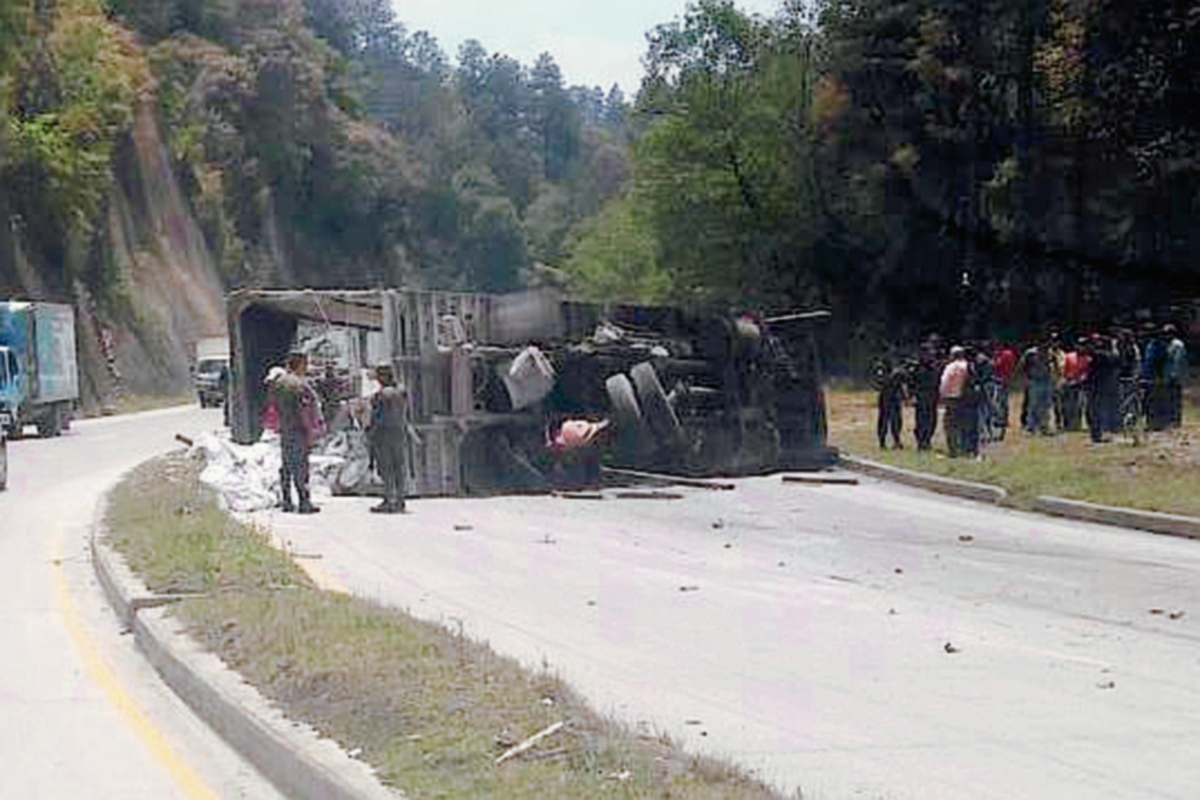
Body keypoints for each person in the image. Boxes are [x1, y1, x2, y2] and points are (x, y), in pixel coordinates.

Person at [272, 352, 324, 514]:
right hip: (298, 429)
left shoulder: (279, 382)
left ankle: (287, 500)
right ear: (300, 364)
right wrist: (310, 431)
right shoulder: (300, 385)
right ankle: (304, 501)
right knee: (301, 466)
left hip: (285, 429)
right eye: (305, 364)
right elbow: (304, 411)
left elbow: (273, 406)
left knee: (287, 465)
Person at [367, 364, 413, 514]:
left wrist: (370, 433)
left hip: (384, 434)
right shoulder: (401, 391)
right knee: (398, 467)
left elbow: (377, 418)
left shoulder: (382, 395)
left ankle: (389, 500)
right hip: (399, 433)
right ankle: (400, 500)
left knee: (386, 468)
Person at [939, 346, 972, 457]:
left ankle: (953, 450)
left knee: (950, 425)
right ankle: (964, 448)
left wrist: (942, 396)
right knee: (963, 424)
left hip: (951, 397)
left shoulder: (951, 367)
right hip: (965, 398)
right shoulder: (967, 366)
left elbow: (945, 382)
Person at [873, 355, 907, 449]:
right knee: (884, 420)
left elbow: (903, 382)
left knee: (896, 421)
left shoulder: (897, 371)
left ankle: (896, 440)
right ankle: (882, 441)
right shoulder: (881, 369)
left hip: (895, 397)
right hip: (886, 397)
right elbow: (879, 382)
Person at [1019, 341, 1053, 435]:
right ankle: (1031, 426)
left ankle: (1044, 426)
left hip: (1046, 380)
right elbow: (1023, 365)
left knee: (1046, 405)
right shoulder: (1030, 353)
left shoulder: (1050, 353)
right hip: (1034, 380)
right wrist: (1026, 378)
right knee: (1033, 404)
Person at [912, 345, 941, 451]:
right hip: (921, 396)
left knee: (932, 421)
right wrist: (912, 395)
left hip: (932, 397)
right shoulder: (917, 368)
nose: (930, 356)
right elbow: (912, 383)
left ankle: (927, 440)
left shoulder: (934, 367)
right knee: (921, 421)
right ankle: (921, 442)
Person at [1165, 324, 1187, 428]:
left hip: (1175, 376)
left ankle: (1176, 420)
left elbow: (1177, 361)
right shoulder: (1168, 344)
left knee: (1175, 398)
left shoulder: (1178, 345)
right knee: (1169, 398)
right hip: (1167, 375)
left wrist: (1174, 374)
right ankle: (1170, 419)